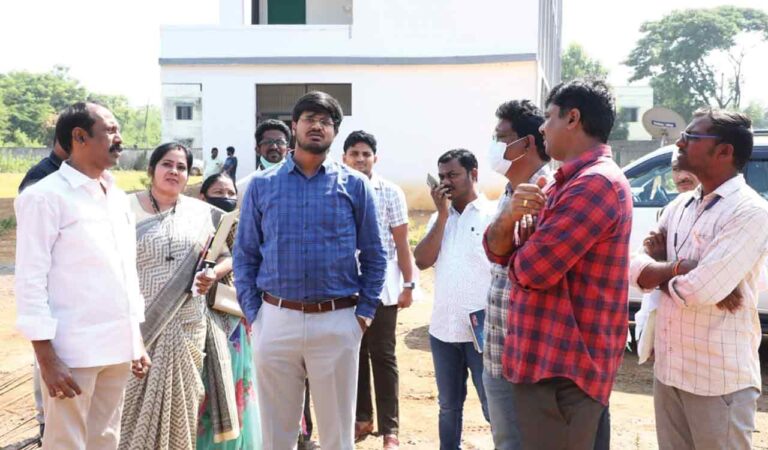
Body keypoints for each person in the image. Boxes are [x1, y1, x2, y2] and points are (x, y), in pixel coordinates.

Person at [484, 80, 632, 449]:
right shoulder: (561, 184)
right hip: (546, 368)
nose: (542, 127)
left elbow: (530, 271)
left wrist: (518, 249)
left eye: (549, 117)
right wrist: (510, 221)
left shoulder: (595, 184)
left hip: (565, 374)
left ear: (573, 118)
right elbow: (496, 251)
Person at [234, 91, 386, 450]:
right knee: (276, 436)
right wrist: (256, 316)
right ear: (294, 126)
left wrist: (362, 316)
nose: (317, 126)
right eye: (309, 119)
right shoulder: (262, 185)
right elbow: (245, 255)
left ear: (334, 131)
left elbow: (375, 255)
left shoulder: (355, 185)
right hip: (275, 318)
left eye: (325, 121)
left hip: (337, 321)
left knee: (337, 437)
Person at [14, 102, 150, 449]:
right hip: (71, 353)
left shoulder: (117, 197)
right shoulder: (44, 197)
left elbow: (125, 272)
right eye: (110, 130)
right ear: (79, 136)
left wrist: (134, 338)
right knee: (66, 443)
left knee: (105, 439)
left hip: (117, 348)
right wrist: (47, 358)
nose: (120, 138)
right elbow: (30, 280)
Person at [630, 108, 768, 450]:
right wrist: (680, 268)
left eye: (690, 137)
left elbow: (699, 291)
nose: (679, 142)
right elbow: (632, 268)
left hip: (717, 381)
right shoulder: (679, 206)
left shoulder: (749, 211)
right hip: (670, 372)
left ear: (724, 151)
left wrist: (660, 270)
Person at [119, 143, 235, 449]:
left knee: (182, 408)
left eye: (181, 167)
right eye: (167, 164)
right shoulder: (123, 208)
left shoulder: (203, 213)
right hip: (137, 326)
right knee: (127, 408)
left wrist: (213, 273)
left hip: (187, 324)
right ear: (151, 169)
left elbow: (227, 255)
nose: (174, 171)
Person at [482, 100, 552, 450]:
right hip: (498, 345)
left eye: (502, 138)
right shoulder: (510, 192)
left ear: (527, 143)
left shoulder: (548, 192)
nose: (495, 147)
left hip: (530, 355)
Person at [413, 149, 494, 450]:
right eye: (442, 176)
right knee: (448, 406)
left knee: (492, 405)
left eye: (453, 175)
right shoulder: (439, 217)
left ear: (474, 174)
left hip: (482, 332)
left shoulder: (493, 215)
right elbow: (421, 260)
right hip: (443, 330)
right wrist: (443, 215)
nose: (446, 182)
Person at [342, 130, 415, 450]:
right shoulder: (336, 188)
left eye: (366, 154)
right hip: (344, 283)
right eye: (354, 154)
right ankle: (362, 418)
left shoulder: (390, 192)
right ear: (344, 158)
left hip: (382, 285)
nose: (360, 159)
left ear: (375, 158)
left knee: (383, 354)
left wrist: (409, 284)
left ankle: (389, 428)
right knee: (354, 353)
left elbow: (402, 242)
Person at [196, 172, 262, 450]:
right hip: (197, 317)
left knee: (236, 379)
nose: (225, 198)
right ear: (203, 197)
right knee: (204, 386)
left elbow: (245, 259)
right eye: (218, 193)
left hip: (234, 316)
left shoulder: (245, 226)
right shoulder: (194, 223)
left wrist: (215, 271)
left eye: (230, 193)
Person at [633, 149, 700, 363]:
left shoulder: (734, 212)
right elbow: (638, 269)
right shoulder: (672, 209)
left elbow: (706, 284)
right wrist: (676, 268)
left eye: (689, 168)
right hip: (667, 328)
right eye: (676, 169)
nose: (682, 177)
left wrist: (660, 270)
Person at [236, 119, 292, 195]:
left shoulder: (300, 184)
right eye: (268, 142)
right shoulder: (243, 187)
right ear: (257, 150)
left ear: (288, 150)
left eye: (280, 142)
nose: (274, 147)